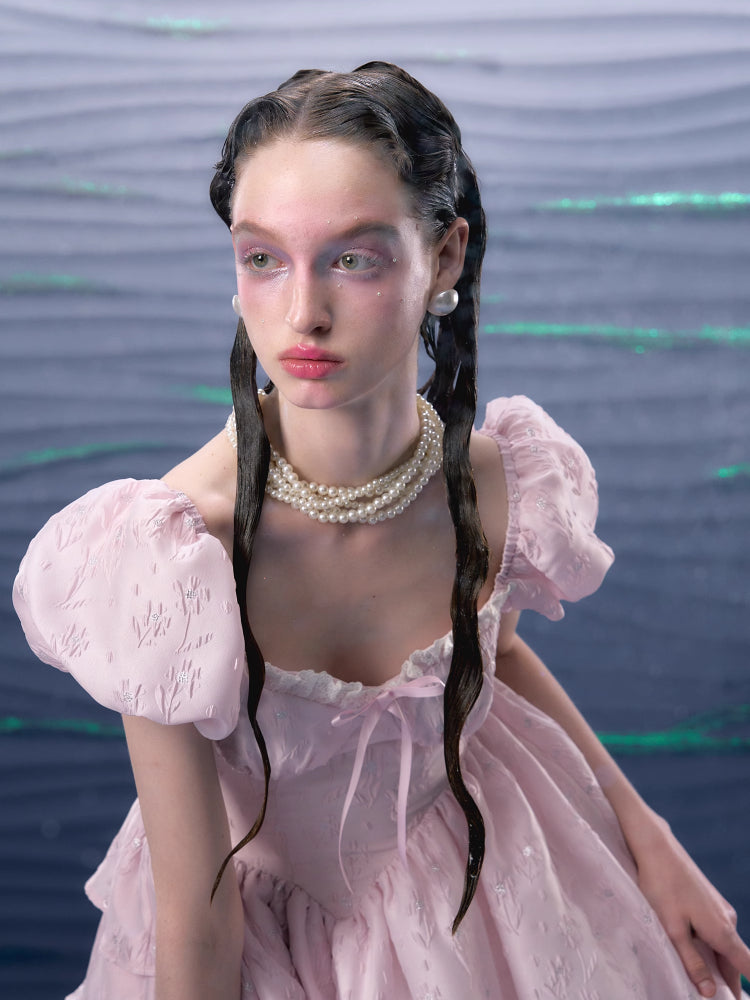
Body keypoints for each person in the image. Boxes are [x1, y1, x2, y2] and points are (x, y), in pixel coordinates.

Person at [12, 61, 750, 1000]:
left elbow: (496, 658)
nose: (303, 313)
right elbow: (200, 924)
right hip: (269, 941)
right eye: (263, 258)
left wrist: (647, 834)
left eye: (353, 259)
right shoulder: (170, 557)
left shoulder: (500, 477)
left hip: (495, 881)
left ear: (444, 259)